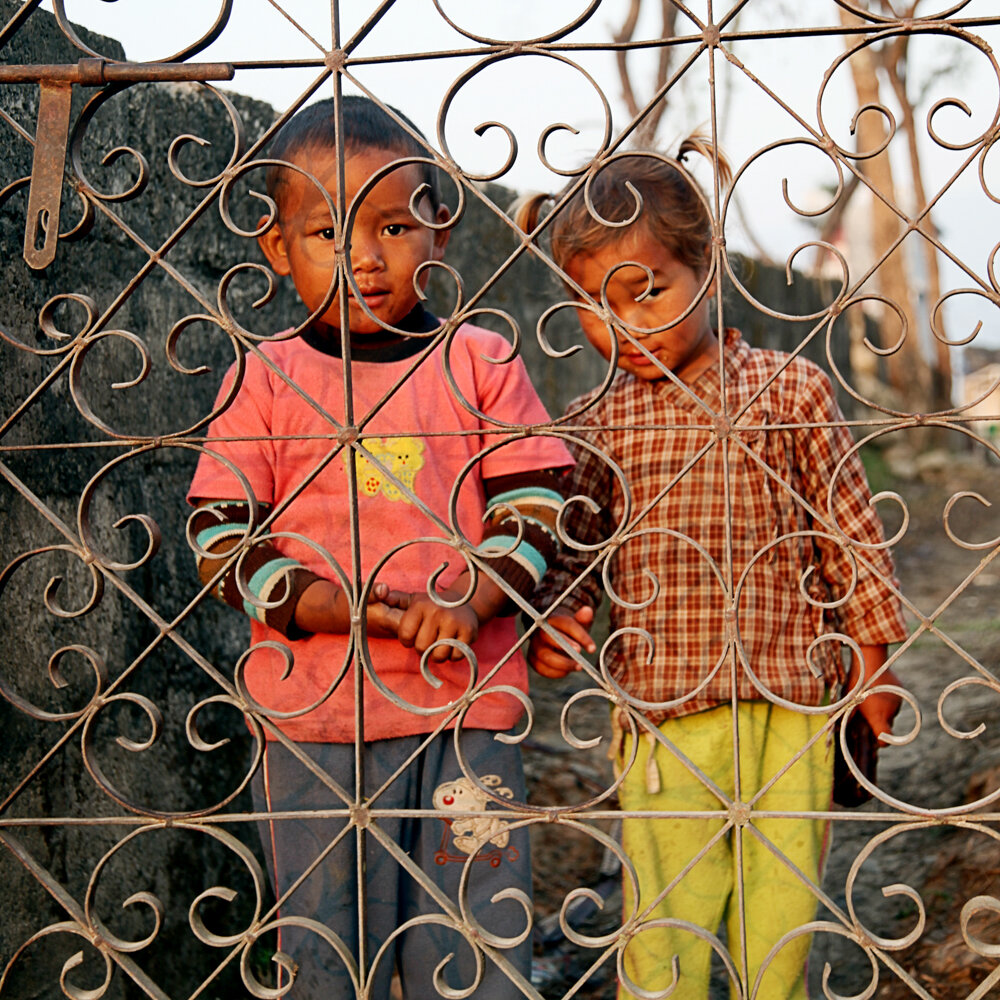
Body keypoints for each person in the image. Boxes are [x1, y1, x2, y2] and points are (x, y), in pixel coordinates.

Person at [188, 95, 573, 999]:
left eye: (393, 224)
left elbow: (535, 506)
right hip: (313, 718)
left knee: (474, 931)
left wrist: (469, 603)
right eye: (328, 232)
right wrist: (344, 610)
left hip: (465, 718)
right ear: (280, 252)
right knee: (326, 947)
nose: (363, 254)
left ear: (438, 231)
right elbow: (219, 537)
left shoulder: (478, 362)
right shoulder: (267, 377)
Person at [518, 140, 908, 999]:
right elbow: (569, 552)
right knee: (668, 933)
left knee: (779, 930)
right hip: (665, 719)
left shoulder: (789, 393)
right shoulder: (593, 424)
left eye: (644, 292)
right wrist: (550, 616)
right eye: (589, 303)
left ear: (706, 266)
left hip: (793, 710)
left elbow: (851, 542)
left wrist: (873, 677)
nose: (617, 324)